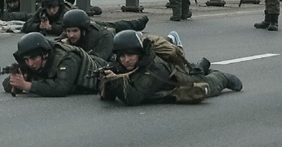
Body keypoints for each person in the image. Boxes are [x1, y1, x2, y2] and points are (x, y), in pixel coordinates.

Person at [98, 30, 241, 106]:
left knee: (210, 83)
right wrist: (107, 79)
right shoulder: (120, 65)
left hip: (178, 80)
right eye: (122, 56)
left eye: (131, 55)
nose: (126, 60)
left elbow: (134, 98)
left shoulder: (154, 69)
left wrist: (115, 81)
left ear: (140, 54)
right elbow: (109, 97)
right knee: (194, 69)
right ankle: (200, 65)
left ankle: (222, 76)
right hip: (168, 74)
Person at [2, 32, 106, 97]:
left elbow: (61, 87)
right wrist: (17, 80)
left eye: (33, 58)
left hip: (100, 72)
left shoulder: (67, 58)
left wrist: (27, 85)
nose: (30, 63)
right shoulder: (31, 62)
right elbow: (6, 84)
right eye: (26, 59)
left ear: (45, 54)